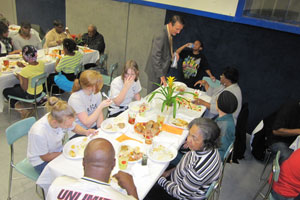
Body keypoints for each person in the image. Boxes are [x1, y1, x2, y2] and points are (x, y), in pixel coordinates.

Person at [145, 118, 222, 200]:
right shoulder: (209, 149)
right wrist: (168, 172)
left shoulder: (198, 170)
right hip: (180, 179)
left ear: (207, 142)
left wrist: (160, 179)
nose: (188, 140)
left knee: (144, 189)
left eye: (194, 138)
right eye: (189, 134)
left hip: (180, 195)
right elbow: (186, 167)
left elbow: (179, 194)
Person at [47, 138, 138, 200]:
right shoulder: (121, 198)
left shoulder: (57, 184)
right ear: (113, 164)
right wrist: (132, 189)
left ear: (83, 162)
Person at [27, 97, 97, 174]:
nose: (70, 126)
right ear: (55, 122)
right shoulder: (39, 132)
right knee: (71, 173)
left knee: (80, 165)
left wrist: (86, 132)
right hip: (41, 162)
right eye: (68, 125)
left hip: (57, 150)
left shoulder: (59, 117)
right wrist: (66, 153)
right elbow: (45, 157)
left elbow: (74, 126)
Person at [3, 45, 45, 118]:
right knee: (15, 86)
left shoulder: (25, 71)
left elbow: (24, 88)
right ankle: (29, 105)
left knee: (6, 91)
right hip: (39, 92)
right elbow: (33, 71)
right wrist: (23, 66)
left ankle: (22, 109)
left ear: (25, 57)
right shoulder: (41, 63)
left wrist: (19, 77)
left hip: (30, 95)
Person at [145, 15, 184, 93]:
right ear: (170, 24)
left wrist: (173, 55)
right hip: (156, 73)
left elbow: (165, 51)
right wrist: (161, 75)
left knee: (157, 94)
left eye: (180, 30)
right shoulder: (161, 34)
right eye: (177, 29)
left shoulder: (168, 33)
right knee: (152, 96)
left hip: (160, 71)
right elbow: (155, 56)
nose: (178, 32)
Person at [215, 91, 238, 160]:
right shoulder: (228, 117)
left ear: (219, 105)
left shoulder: (223, 126)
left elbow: (220, 151)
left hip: (213, 157)